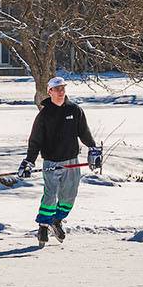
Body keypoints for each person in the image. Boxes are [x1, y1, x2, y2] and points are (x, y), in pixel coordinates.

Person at [18, 75, 101, 246]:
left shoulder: (74, 110)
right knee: (50, 195)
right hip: (51, 163)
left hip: (72, 161)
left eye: (63, 88)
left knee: (69, 196)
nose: (61, 92)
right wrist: (29, 161)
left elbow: (84, 132)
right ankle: (43, 225)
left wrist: (92, 148)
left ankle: (56, 220)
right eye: (57, 89)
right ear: (50, 92)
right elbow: (35, 141)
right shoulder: (44, 115)